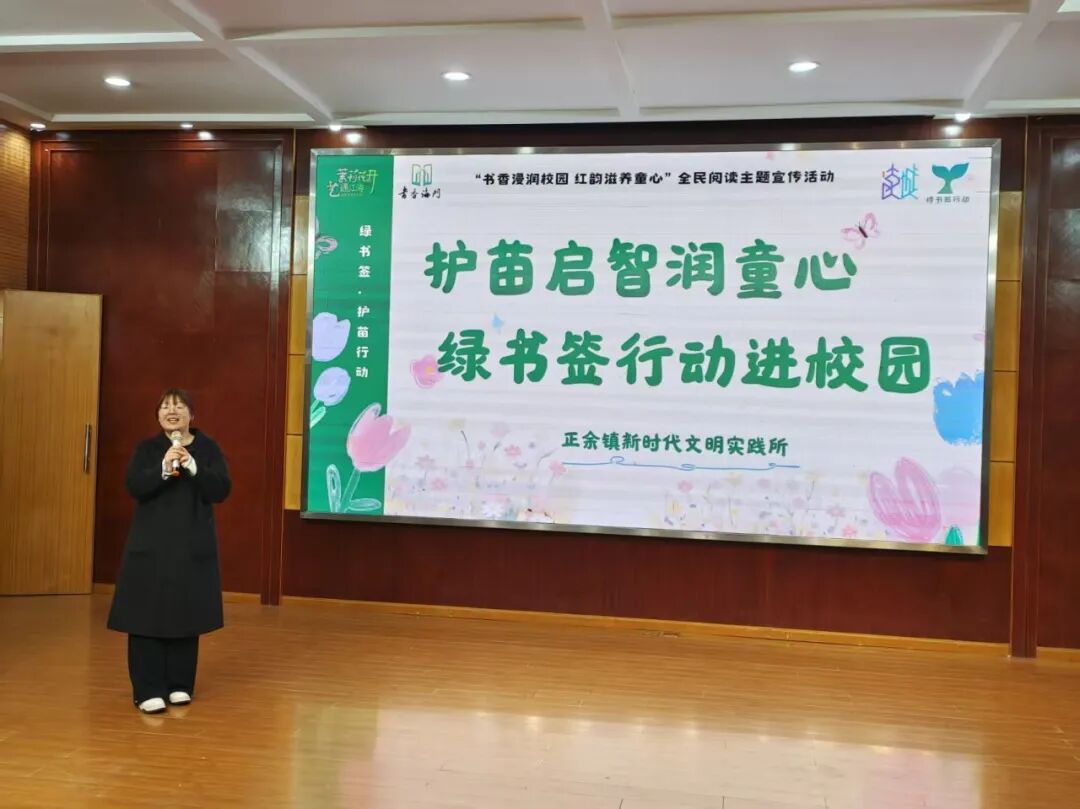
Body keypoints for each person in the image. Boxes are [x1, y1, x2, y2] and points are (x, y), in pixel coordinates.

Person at [107, 389, 231, 714]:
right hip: (150, 546)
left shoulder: (207, 448)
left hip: (191, 546)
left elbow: (221, 490)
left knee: (185, 612)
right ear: (158, 415)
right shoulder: (147, 449)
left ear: (192, 415)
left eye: (179, 406)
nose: (171, 412)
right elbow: (135, 486)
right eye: (165, 407)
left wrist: (194, 467)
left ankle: (180, 684)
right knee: (145, 614)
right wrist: (163, 469)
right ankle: (147, 689)